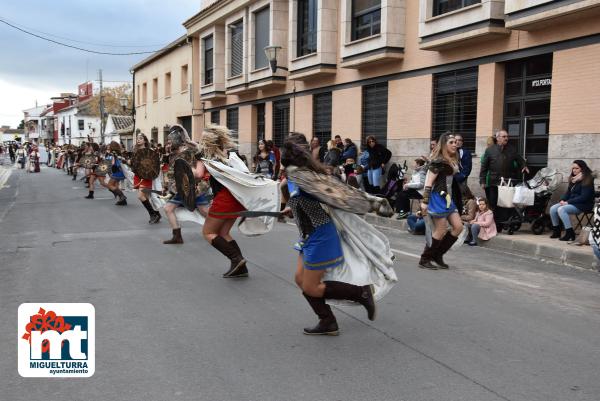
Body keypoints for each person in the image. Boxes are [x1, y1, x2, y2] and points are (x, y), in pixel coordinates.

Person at [280, 133, 379, 336]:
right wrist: (292, 209)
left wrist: (371, 202)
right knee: (300, 280)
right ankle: (328, 321)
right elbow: (302, 200)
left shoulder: (309, 178)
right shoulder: (294, 176)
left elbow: (337, 197)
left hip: (321, 235)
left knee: (311, 287)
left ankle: (360, 292)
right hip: (307, 237)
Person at [194, 125, 248, 278]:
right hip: (237, 196)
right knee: (224, 232)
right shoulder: (229, 153)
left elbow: (198, 174)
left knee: (208, 232)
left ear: (206, 141)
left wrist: (186, 169)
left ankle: (236, 259)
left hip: (224, 197)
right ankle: (240, 266)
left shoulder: (203, 155)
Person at [419, 132, 463, 270]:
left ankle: (437, 255)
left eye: (455, 142)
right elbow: (428, 181)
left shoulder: (453, 159)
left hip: (448, 198)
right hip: (438, 198)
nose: (454, 144)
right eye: (451, 142)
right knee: (440, 230)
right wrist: (425, 201)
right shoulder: (438, 161)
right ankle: (425, 259)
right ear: (444, 144)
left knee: (458, 227)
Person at [162, 125, 209, 244]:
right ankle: (177, 236)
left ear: (176, 140)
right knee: (168, 209)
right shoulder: (172, 155)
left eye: (170, 141)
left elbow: (200, 166)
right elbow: (172, 173)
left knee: (204, 211)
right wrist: (167, 187)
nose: (168, 144)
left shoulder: (190, 151)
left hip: (194, 188)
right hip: (180, 189)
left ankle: (216, 228)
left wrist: (188, 170)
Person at [479, 129, 529, 216]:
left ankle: (502, 222)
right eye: (504, 136)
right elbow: (484, 167)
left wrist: (524, 165)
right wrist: (482, 181)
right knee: (492, 203)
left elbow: (519, 159)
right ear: (498, 138)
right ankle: (492, 223)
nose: (506, 138)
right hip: (493, 181)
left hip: (506, 182)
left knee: (504, 203)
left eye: (507, 136)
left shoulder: (511, 149)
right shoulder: (490, 150)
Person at [549, 160, 596, 241]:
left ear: (582, 169)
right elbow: (568, 193)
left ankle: (570, 233)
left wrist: (568, 202)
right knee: (553, 209)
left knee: (561, 209)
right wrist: (562, 200)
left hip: (584, 205)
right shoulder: (574, 179)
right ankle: (557, 231)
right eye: (573, 168)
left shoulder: (587, 180)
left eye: (576, 168)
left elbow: (584, 197)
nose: (574, 170)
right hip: (572, 203)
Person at [132, 133, 162, 224]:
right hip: (138, 175)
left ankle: (152, 214)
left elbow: (156, 164)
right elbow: (134, 165)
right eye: (137, 138)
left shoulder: (150, 151)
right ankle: (157, 214)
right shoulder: (135, 151)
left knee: (140, 196)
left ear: (145, 140)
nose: (138, 140)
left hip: (147, 176)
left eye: (141, 138)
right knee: (146, 197)